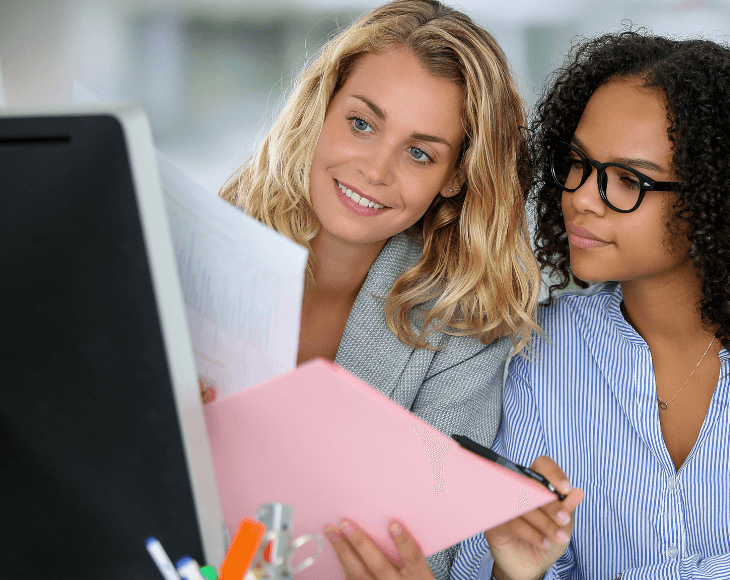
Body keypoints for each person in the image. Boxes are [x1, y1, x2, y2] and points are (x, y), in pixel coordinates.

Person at [441, 31, 730, 579]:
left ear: (717, 201)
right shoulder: (540, 349)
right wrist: (518, 569)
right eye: (577, 164)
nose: (583, 197)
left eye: (628, 180)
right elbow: (485, 563)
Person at [216, 1, 540, 578]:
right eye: (361, 123)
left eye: (419, 152)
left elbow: (426, 559)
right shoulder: (206, 247)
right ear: (322, 108)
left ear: (455, 178)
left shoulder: (461, 334)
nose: (374, 168)